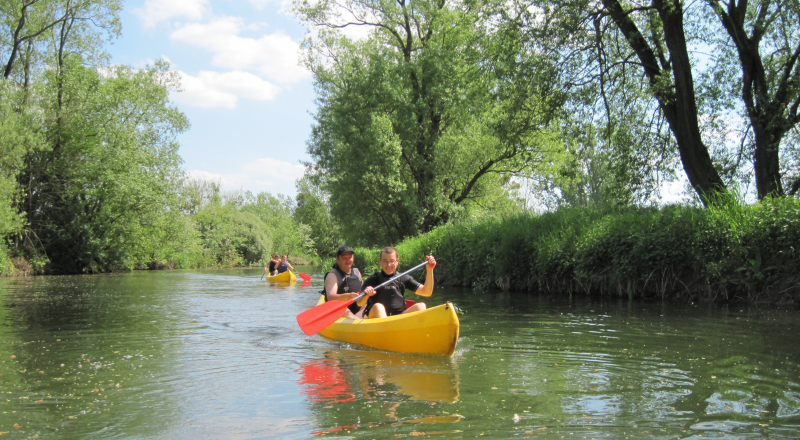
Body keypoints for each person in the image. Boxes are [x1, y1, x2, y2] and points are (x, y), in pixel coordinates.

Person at [362, 247, 436, 319]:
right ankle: (388, 328)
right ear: (380, 261)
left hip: (398, 318)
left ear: (397, 261)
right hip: (376, 318)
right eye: (385, 261)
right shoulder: (372, 279)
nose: (388, 265)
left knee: (421, 306)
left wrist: (429, 270)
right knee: (378, 307)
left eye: (392, 261)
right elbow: (359, 303)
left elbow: (426, 292)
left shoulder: (403, 278)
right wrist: (366, 295)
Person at [322, 246, 367, 319]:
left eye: (350, 257)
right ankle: (357, 323)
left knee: (372, 305)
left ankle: (357, 321)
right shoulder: (332, 275)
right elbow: (330, 297)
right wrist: (348, 296)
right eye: (344, 258)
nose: (348, 260)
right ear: (337, 259)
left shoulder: (356, 272)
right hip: (340, 309)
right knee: (343, 309)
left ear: (353, 258)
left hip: (357, 309)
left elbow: (362, 290)